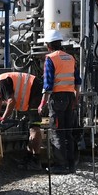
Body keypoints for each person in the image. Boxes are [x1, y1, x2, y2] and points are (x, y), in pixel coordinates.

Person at [41, 35, 79, 167]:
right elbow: (77, 80)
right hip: (70, 97)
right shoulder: (70, 58)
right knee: (68, 131)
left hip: (57, 98)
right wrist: (76, 97)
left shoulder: (51, 58)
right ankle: (71, 163)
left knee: (57, 131)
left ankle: (61, 164)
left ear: (49, 46)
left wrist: (42, 103)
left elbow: (48, 84)